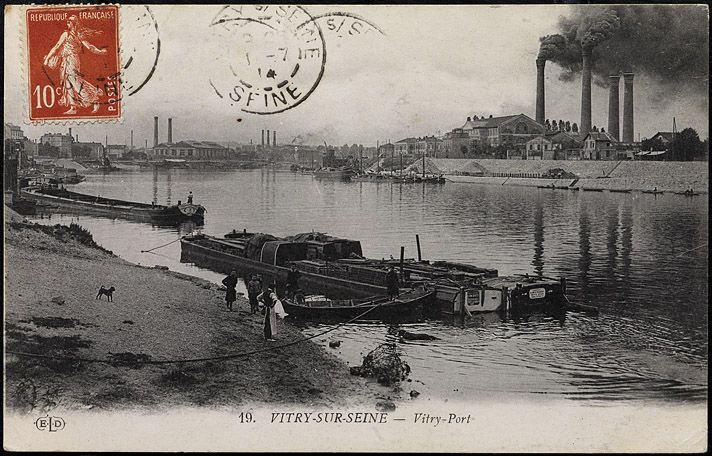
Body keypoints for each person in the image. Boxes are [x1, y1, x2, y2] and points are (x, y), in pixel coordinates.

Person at [43, 15, 107, 115]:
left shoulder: (78, 34)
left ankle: (93, 98)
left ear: (74, 23)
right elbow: (57, 46)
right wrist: (47, 58)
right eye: (67, 21)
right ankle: (73, 107)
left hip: (73, 59)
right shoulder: (66, 34)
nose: (68, 23)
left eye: (70, 22)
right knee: (67, 82)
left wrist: (100, 52)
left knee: (74, 80)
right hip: (65, 60)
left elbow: (89, 47)